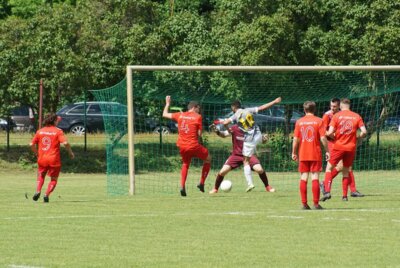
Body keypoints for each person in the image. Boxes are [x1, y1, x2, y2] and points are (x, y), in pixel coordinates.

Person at [220, 97, 281, 192]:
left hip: (250, 139)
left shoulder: (236, 115)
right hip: (258, 134)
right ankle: (263, 138)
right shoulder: (248, 110)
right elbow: (262, 108)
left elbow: (225, 123)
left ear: (233, 107)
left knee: (246, 161)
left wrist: (227, 127)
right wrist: (274, 101)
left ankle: (250, 184)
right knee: (259, 141)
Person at [162, 96, 211, 196]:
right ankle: (201, 183)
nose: (199, 111)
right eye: (199, 109)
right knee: (208, 159)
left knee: (185, 164)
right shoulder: (198, 117)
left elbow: (164, 114)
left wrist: (167, 104)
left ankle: (182, 186)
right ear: (195, 107)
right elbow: (199, 133)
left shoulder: (180, 115)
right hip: (193, 145)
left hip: (182, 146)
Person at [321, 98, 367, 201]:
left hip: (338, 145)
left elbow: (329, 132)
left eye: (334, 106)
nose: (332, 108)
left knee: (329, 168)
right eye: (331, 106)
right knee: (346, 170)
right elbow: (364, 131)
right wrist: (358, 137)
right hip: (350, 147)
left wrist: (335, 135)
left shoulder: (336, 116)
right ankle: (345, 196)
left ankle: (327, 190)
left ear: (340, 106)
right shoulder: (356, 116)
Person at [208, 123, 275, 194]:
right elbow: (224, 134)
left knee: (259, 169)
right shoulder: (234, 128)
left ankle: (268, 187)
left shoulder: (252, 129)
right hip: (236, 155)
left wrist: (264, 139)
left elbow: (262, 140)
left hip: (249, 155)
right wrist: (217, 131)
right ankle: (215, 189)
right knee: (222, 172)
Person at [292, 101, 329, 210]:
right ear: (314, 109)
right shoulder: (319, 121)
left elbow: (295, 139)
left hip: (303, 154)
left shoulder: (299, 122)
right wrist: (327, 150)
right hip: (315, 153)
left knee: (303, 177)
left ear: (304, 110)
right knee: (315, 177)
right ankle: (316, 204)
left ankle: (304, 204)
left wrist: (294, 152)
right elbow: (323, 138)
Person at [30, 113, 74, 203]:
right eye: (57, 120)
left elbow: (31, 144)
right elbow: (65, 143)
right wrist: (70, 152)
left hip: (42, 159)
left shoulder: (40, 131)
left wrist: (37, 153)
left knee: (41, 176)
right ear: (54, 121)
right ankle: (46, 194)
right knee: (53, 179)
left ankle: (38, 191)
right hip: (54, 159)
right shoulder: (58, 131)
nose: (58, 121)